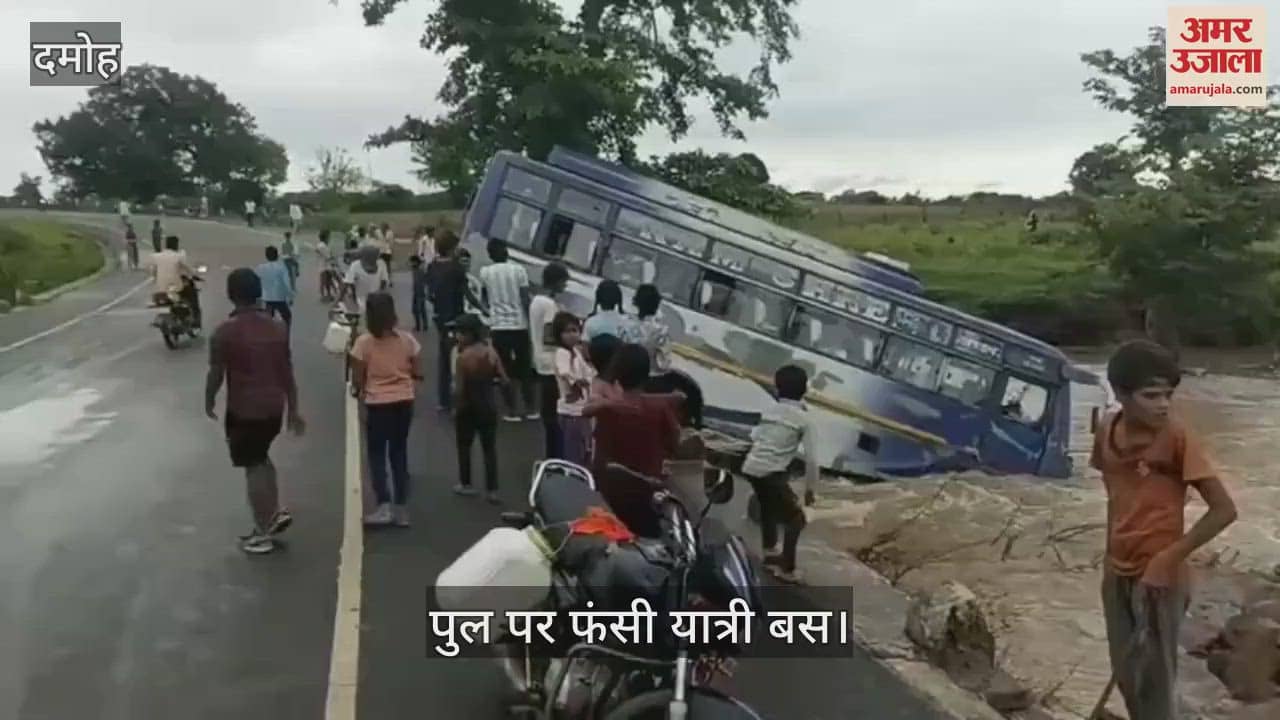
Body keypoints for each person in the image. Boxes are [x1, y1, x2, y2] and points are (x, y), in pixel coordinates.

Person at [1092, 340, 1237, 720]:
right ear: (1121, 394)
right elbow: (1114, 495)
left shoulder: (1176, 438)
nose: (1162, 404)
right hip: (1118, 570)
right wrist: (1109, 556)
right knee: (1127, 676)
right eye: (1150, 395)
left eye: (1168, 395)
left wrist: (1166, 560)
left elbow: (1224, 510)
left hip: (1160, 577)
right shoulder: (1107, 431)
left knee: (1155, 683)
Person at [205, 268, 304, 555]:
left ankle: (263, 531)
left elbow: (216, 373)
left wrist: (208, 400)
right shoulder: (277, 328)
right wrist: (294, 409)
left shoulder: (224, 332)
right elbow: (287, 371)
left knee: (253, 465)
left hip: (245, 410)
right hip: (274, 407)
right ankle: (272, 513)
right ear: (258, 291)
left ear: (230, 294)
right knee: (261, 458)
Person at [581, 344, 681, 537]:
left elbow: (589, 418)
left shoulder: (607, 410)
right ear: (646, 376)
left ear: (617, 377)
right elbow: (675, 443)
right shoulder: (659, 409)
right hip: (647, 493)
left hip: (609, 494)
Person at [740, 365, 819, 585]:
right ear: (805, 389)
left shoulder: (770, 410)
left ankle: (769, 552)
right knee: (796, 519)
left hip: (751, 467)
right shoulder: (805, 420)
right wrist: (810, 490)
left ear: (777, 388)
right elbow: (812, 460)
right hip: (771, 471)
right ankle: (787, 568)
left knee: (768, 507)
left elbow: (755, 437)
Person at [351, 292, 422, 528]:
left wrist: (360, 398)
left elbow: (358, 379)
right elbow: (417, 371)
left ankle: (384, 506)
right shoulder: (407, 340)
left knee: (377, 454)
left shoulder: (364, 343)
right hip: (404, 401)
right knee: (399, 452)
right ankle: (402, 509)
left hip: (377, 403)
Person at [451, 313, 508, 504]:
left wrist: (455, 408)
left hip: (467, 407)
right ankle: (493, 489)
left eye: (459, 333)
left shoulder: (462, 358)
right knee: (489, 448)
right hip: (488, 405)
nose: (456, 336)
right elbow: (504, 379)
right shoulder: (490, 352)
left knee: (464, 446)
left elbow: (459, 389)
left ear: (468, 334)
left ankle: (466, 484)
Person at [479, 239, 536, 421]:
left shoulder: (485, 272)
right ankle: (531, 409)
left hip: (498, 326)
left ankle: (512, 411)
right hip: (520, 325)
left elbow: (485, 299)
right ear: (507, 252)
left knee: (504, 369)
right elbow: (525, 298)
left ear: (490, 255)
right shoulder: (519, 270)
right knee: (525, 368)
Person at [426, 230, 484, 411]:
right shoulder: (456, 268)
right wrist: (483, 309)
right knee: (465, 357)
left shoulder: (432, 266)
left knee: (444, 359)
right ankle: (465, 397)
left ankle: (443, 400)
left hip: (440, 318)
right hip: (457, 318)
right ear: (452, 247)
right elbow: (467, 292)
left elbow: (430, 294)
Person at [529, 262, 570, 459]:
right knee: (555, 416)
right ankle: (556, 457)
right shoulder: (549, 306)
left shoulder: (536, 301)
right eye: (564, 282)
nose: (566, 286)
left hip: (540, 361)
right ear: (556, 281)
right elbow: (549, 336)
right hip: (551, 363)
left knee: (548, 414)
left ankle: (552, 456)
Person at [552, 312, 594, 466]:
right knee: (573, 453)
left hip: (581, 409)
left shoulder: (576, 352)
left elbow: (588, 371)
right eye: (567, 331)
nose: (571, 335)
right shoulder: (561, 353)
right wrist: (578, 381)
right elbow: (564, 372)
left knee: (583, 449)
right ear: (559, 334)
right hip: (570, 412)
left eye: (574, 330)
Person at [146, 235, 201, 328]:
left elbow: (152, 271)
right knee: (192, 296)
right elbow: (188, 269)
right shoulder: (178, 256)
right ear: (176, 245)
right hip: (176, 287)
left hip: (160, 288)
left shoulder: (156, 256)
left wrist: (156, 278)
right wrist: (196, 275)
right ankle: (196, 320)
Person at [632, 284, 671, 376]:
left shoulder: (625, 324)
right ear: (657, 305)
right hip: (647, 379)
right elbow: (664, 364)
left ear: (636, 302)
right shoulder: (661, 332)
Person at [256, 246, 295, 332]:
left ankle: (268, 336)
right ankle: (285, 335)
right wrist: (291, 297)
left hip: (267, 298)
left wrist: (257, 299)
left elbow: (257, 283)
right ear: (277, 255)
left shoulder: (260, 268)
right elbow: (287, 283)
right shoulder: (281, 267)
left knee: (267, 319)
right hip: (279, 297)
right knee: (287, 317)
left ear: (266, 256)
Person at [342, 245, 390, 314]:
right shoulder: (356, 265)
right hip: (364, 299)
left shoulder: (381, 264)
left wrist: (380, 294)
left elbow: (384, 281)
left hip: (375, 299)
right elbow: (346, 284)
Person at [409, 255, 429, 332]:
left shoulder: (419, 271)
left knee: (416, 310)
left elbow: (421, 282)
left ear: (416, 262)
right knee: (421, 310)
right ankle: (425, 325)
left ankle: (418, 326)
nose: (411, 264)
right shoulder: (416, 270)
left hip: (419, 293)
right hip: (418, 293)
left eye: (412, 262)